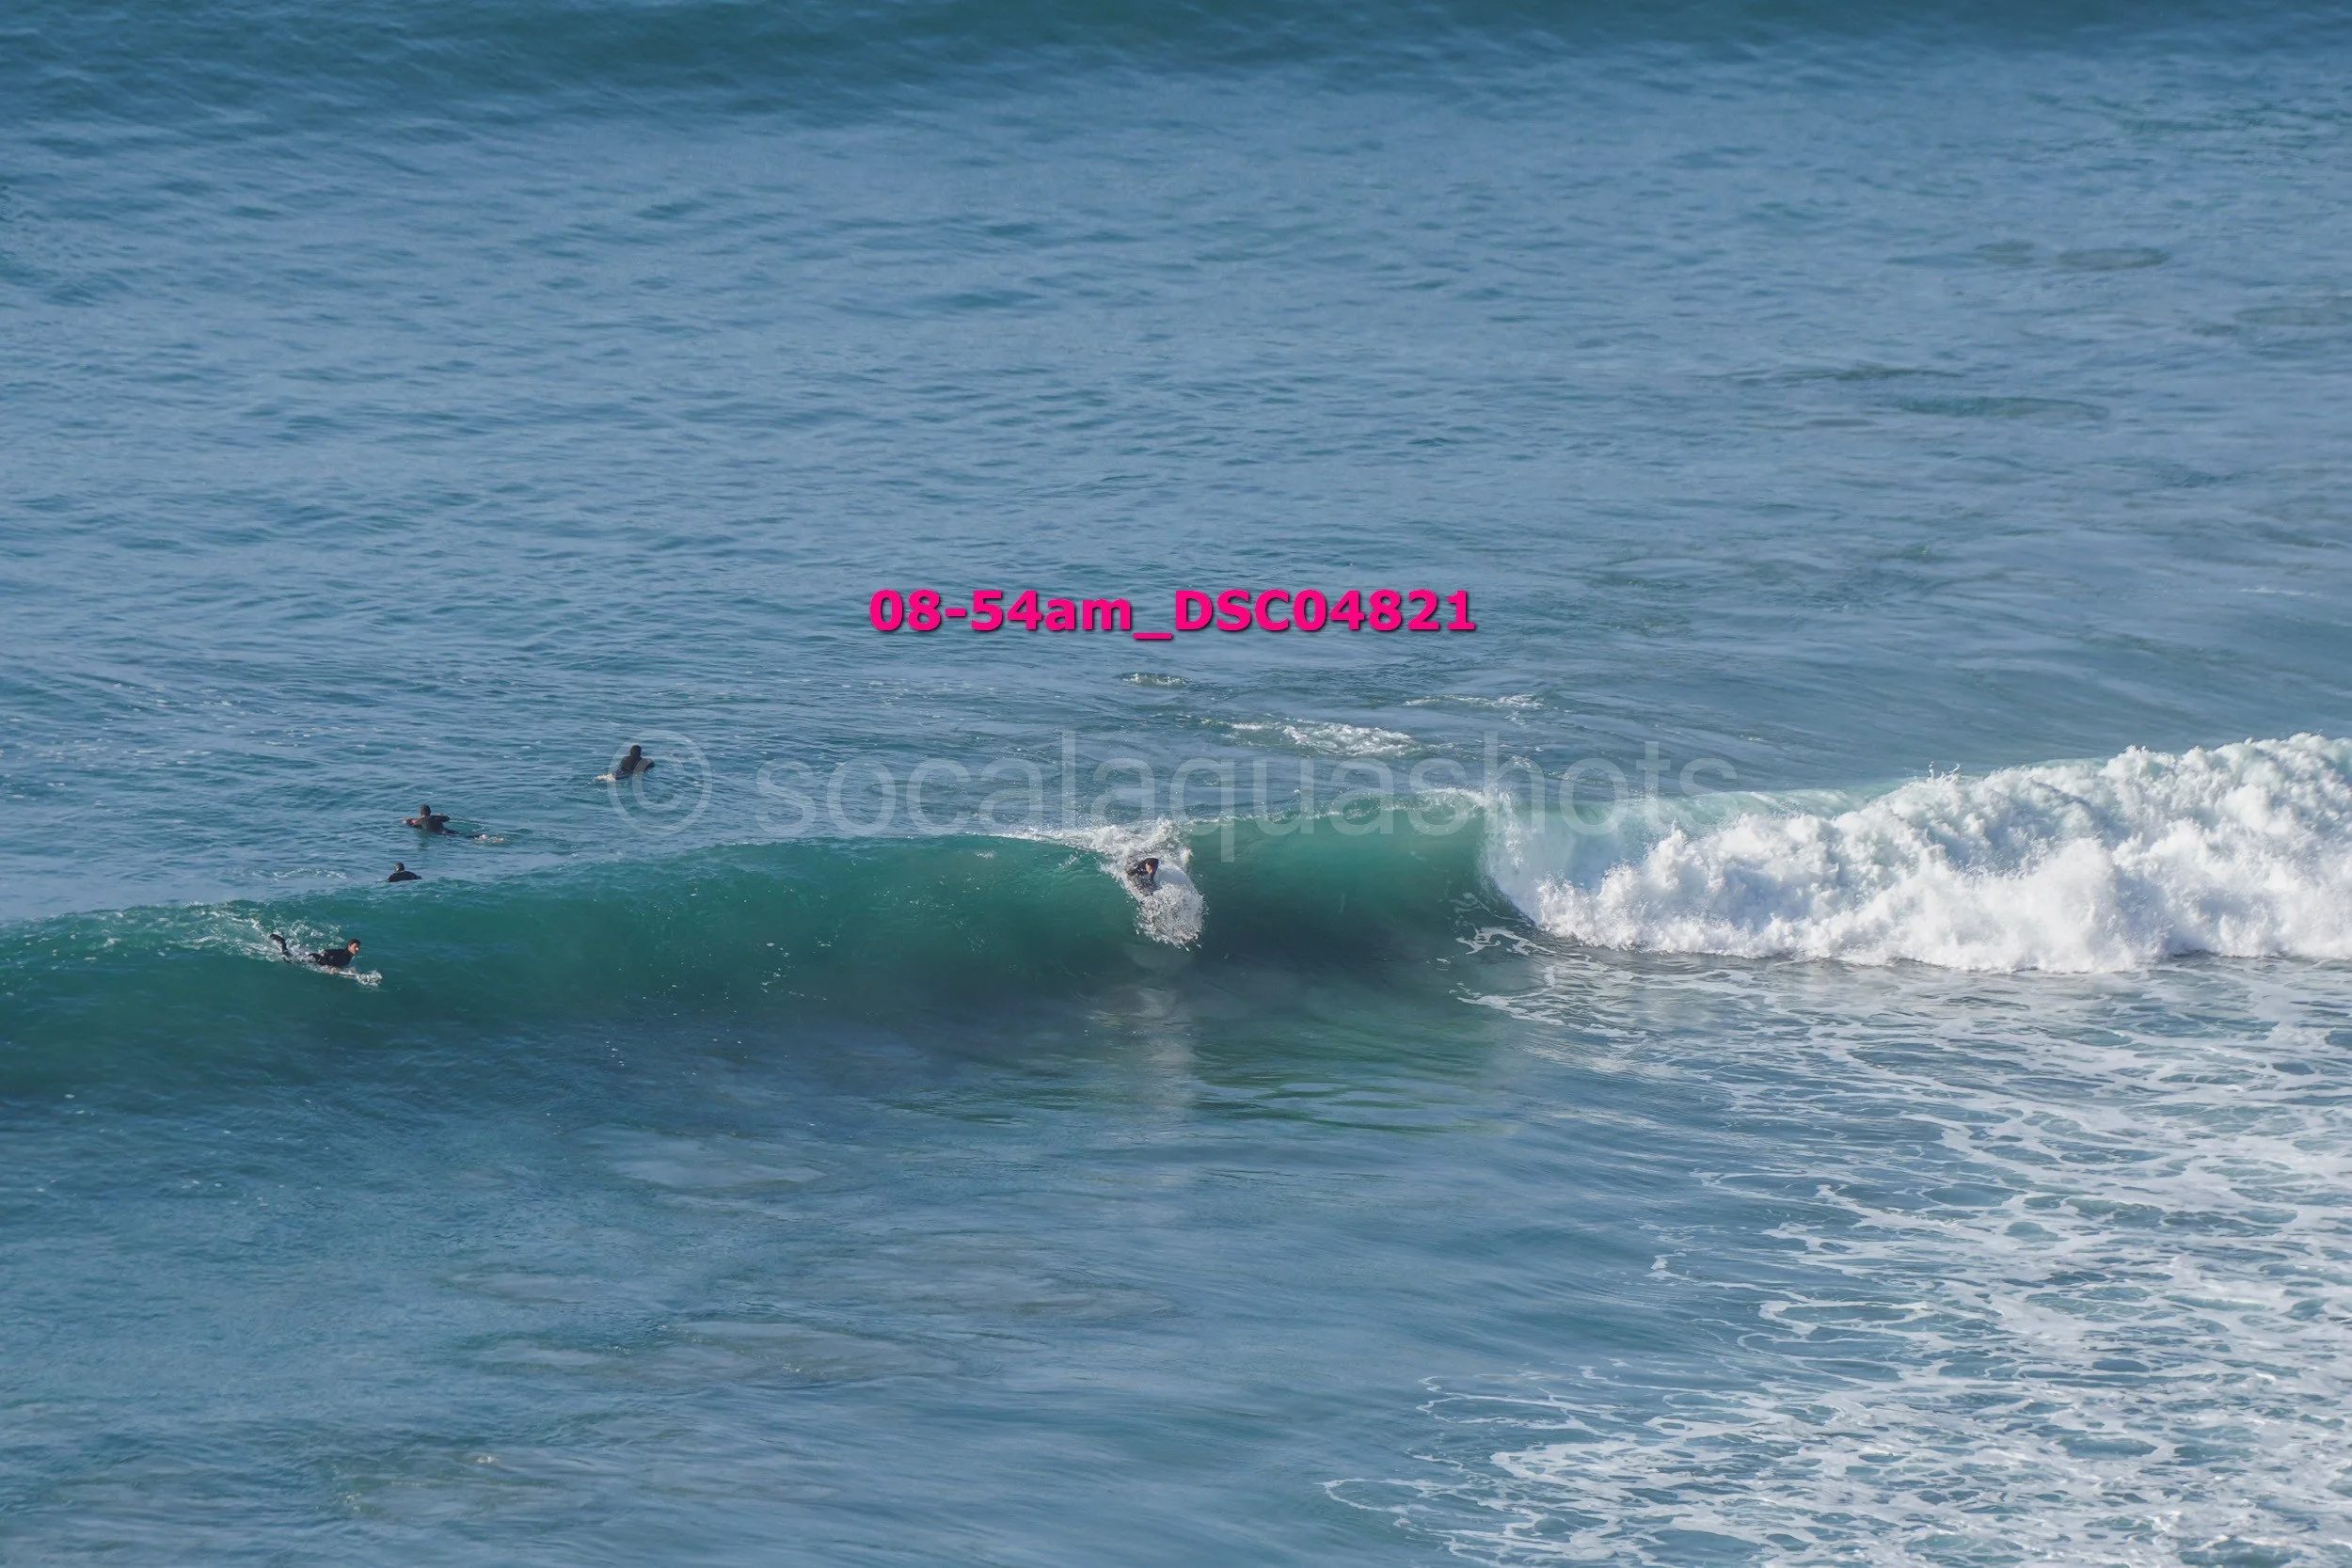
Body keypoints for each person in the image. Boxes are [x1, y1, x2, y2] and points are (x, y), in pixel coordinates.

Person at [273, 933, 361, 969]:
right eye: (355, 947)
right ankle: (282, 942)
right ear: (349, 946)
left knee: (292, 958)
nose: (357, 949)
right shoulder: (343, 953)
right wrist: (329, 964)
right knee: (288, 958)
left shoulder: (348, 957)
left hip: (317, 960)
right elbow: (327, 951)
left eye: (358, 947)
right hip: (314, 959)